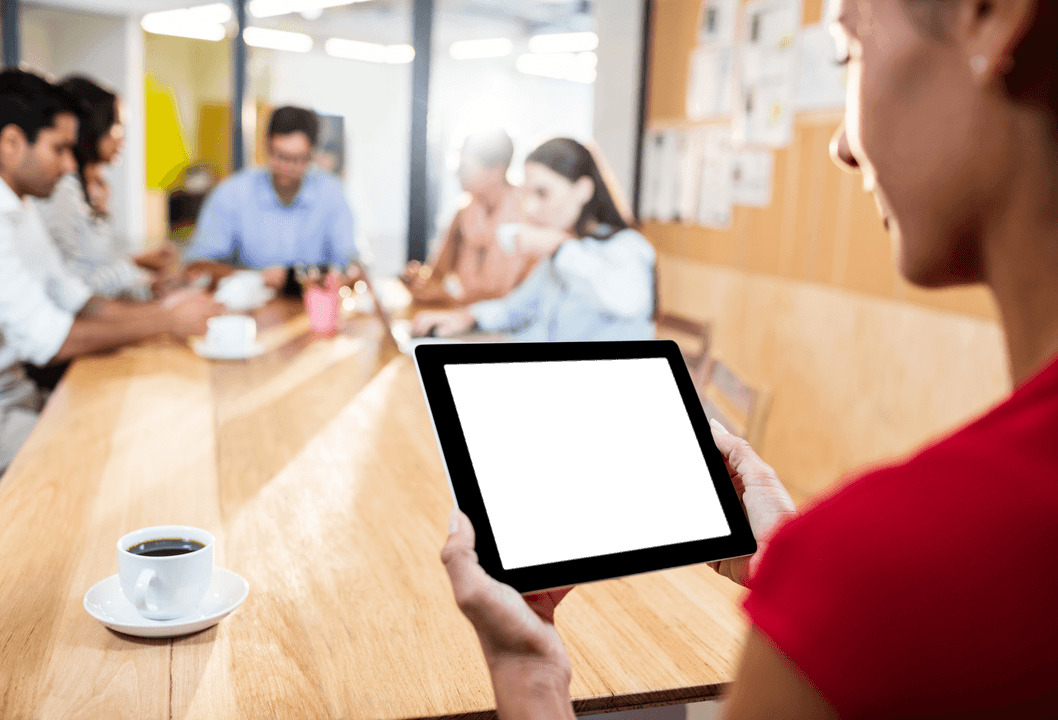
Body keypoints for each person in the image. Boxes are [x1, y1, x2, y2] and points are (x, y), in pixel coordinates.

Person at [440, 0, 1058, 717]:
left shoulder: (886, 574)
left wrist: (530, 679)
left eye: (847, 50)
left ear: (990, 17)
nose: (843, 148)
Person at [0, 68, 222, 492]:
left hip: (11, 397)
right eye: (60, 149)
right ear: (12, 144)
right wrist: (164, 321)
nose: (70, 164)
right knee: (112, 455)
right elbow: (47, 340)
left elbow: (73, 294)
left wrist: (162, 311)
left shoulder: (19, 203)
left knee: (127, 423)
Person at [411, 138, 656, 342]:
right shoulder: (562, 253)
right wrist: (467, 318)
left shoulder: (627, 247)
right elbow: (515, 309)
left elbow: (627, 300)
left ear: (583, 189)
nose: (530, 208)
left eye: (542, 193)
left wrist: (557, 247)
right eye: (527, 194)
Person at [183, 105, 357, 290]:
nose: (286, 167)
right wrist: (255, 278)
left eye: (297, 159)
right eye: (279, 156)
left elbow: (350, 265)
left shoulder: (332, 193)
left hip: (314, 306)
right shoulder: (232, 193)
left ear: (312, 154)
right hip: (248, 306)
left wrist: (332, 277)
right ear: (266, 146)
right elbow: (197, 265)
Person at [37, 75, 176, 301]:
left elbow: (95, 266)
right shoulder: (61, 190)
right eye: (117, 126)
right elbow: (75, 285)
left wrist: (143, 282)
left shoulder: (93, 189)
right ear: (94, 126)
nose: (123, 139)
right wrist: (133, 268)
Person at [403, 129, 534, 303]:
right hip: (465, 318)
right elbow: (437, 274)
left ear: (496, 171)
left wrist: (454, 299)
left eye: (465, 167)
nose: (458, 174)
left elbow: (526, 295)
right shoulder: (463, 212)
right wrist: (420, 281)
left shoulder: (529, 213)